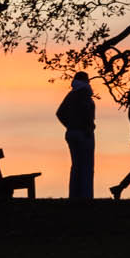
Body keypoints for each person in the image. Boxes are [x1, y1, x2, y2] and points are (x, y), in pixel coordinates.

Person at [56, 71, 96, 201]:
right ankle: (86, 197)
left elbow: (59, 113)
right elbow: (87, 115)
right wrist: (86, 128)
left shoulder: (71, 95)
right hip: (84, 134)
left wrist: (70, 125)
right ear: (86, 81)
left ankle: (74, 196)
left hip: (72, 133)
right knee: (86, 167)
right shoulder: (85, 94)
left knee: (76, 166)